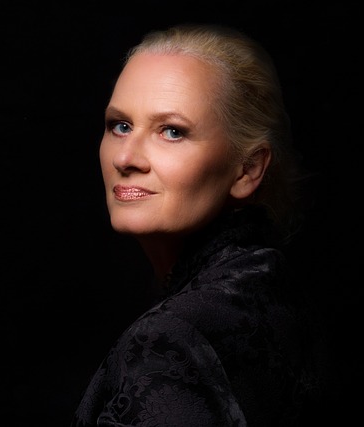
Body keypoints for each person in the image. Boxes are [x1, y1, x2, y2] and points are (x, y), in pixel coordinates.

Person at [72, 22, 326, 426]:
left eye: (172, 131)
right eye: (120, 125)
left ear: (248, 169)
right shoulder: (268, 281)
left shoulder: (168, 343)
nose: (125, 158)